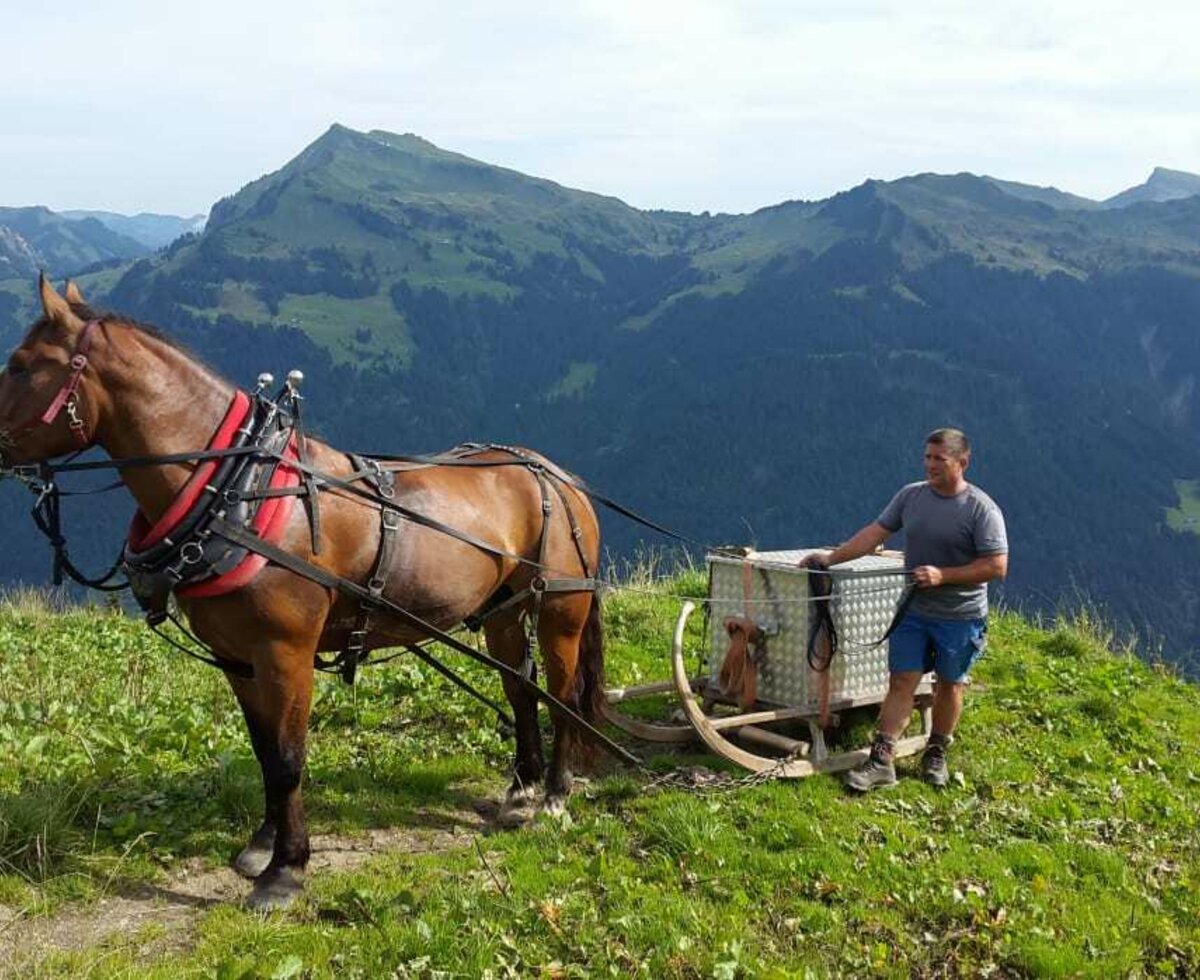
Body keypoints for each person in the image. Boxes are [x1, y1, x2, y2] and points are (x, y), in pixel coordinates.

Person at [803, 428, 1007, 791]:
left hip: (960, 617)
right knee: (901, 681)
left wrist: (944, 575)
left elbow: (996, 566)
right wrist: (831, 559)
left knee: (949, 685)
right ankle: (881, 761)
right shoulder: (911, 496)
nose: (930, 465)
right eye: (927, 457)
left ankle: (936, 753)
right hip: (913, 610)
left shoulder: (981, 509)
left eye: (939, 459)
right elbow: (875, 533)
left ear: (963, 462)